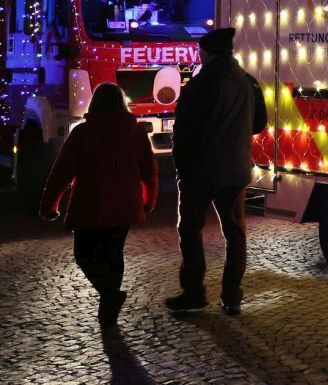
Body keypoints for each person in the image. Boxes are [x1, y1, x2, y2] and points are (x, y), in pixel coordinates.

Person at [39, 83, 158, 327]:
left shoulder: (83, 132)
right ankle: (109, 308)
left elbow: (61, 172)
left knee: (84, 254)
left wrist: (49, 205)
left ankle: (109, 295)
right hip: (126, 204)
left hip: (90, 204)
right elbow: (149, 170)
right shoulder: (135, 132)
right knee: (114, 253)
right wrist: (149, 199)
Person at [166, 27, 266, 315]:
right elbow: (259, 123)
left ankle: (194, 291)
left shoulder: (202, 83)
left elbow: (184, 128)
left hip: (201, 170)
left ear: (207, 53)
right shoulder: (249, 82)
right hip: (236, 169)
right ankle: (232, 294)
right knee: (235, 233)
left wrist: (182, 165)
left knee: (190, 229)